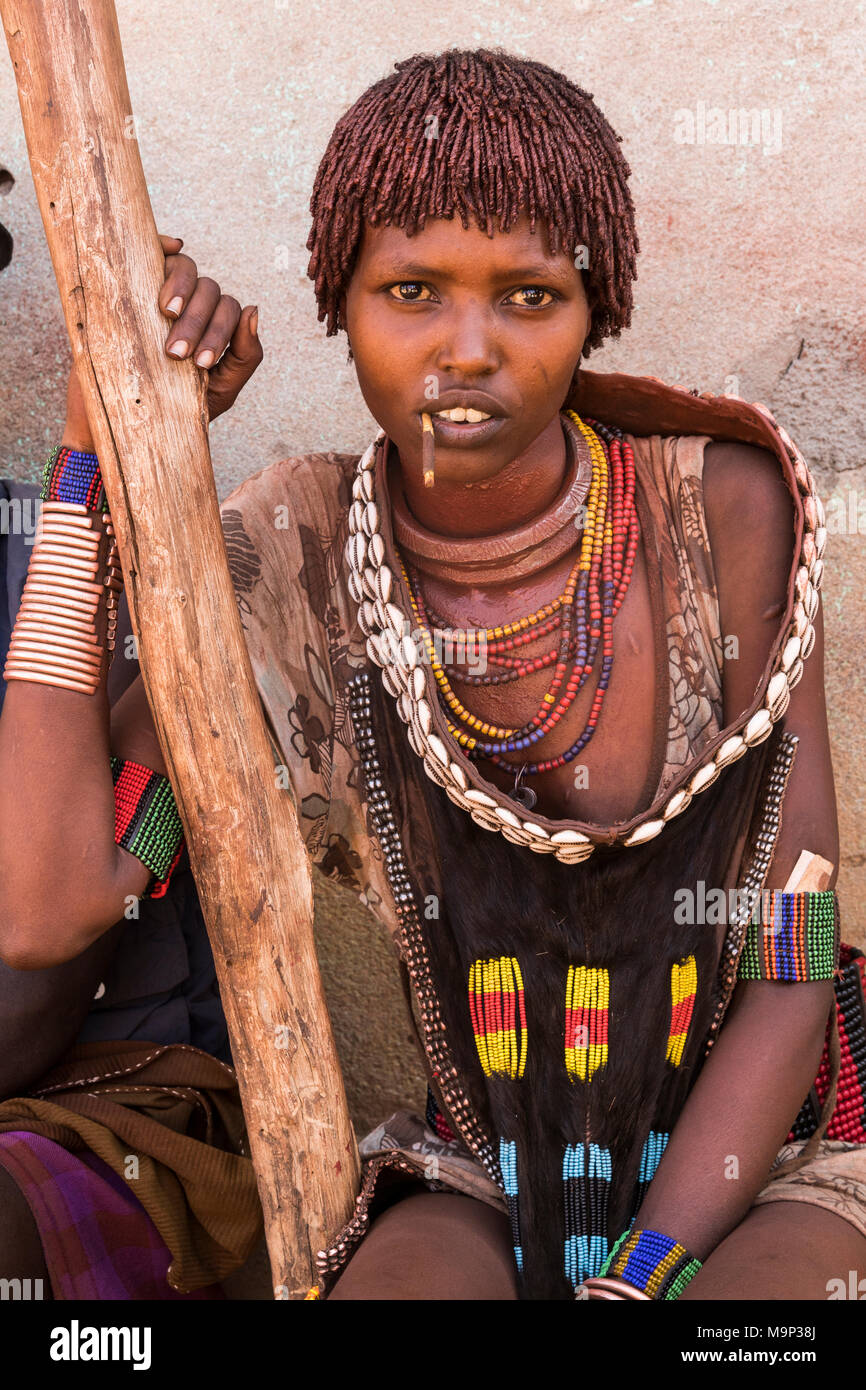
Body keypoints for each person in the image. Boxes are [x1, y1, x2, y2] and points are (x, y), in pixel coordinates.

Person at [2, 46, 865, 1302]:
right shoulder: (289, 578)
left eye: (527, 295)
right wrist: (100, 463)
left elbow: (789, 954)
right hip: (481, 1169)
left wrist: (638, 1281)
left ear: (594, 305)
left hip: (762, 1163)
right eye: (409, 289)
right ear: (336, 307)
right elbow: (53, 897)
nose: (467, 348)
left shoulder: (720, 513)